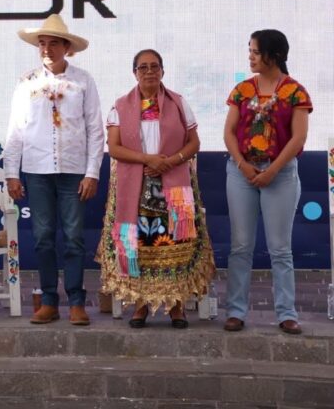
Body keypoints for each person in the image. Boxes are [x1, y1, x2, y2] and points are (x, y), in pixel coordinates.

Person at [96, 49, 215, 328]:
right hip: (134, 188)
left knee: (176, 245)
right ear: (134, 72)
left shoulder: (179, 103)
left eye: (154, 66)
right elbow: (114, 148)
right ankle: (140, 306)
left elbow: (194, 143)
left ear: (163, 71)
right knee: (138, 245)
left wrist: (170, 162)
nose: (149, 71)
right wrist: (147, 160)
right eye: (143, 67)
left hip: (175, 185)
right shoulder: (120, 106)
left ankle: (177, 307)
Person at [4, 14, 104, 326]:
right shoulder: (27, 82)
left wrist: (92, 173)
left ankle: (76, 301)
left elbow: (95, 129)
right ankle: (48, 300)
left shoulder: (83, 80)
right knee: (43, 237)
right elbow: (16, 129)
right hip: (37, 170)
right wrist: (11, 172)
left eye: (53, 43)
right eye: (42, 44)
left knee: (73, 237)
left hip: (73, 170)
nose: (47, 49)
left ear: (67, 47)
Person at [223, 29, 312, 335]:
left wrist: (272, 170)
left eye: (256, 51)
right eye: (249, 50)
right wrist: (242, 165)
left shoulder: (296, 92)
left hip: (281, 174)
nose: (250, 56)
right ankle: (235, 311)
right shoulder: (242, 90)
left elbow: (299, 137)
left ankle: (286, 313)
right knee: (241, 246)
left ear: (274, 55)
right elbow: (229, 132)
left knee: (280, 248)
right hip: (241, 172)